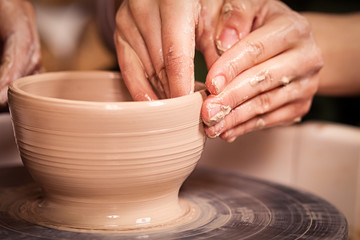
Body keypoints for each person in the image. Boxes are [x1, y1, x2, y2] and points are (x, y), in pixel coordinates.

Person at [1, 0, 359, 142]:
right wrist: (126, 8)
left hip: (322, 110)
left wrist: (310, 46)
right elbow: (101, 14)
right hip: (156, 71)